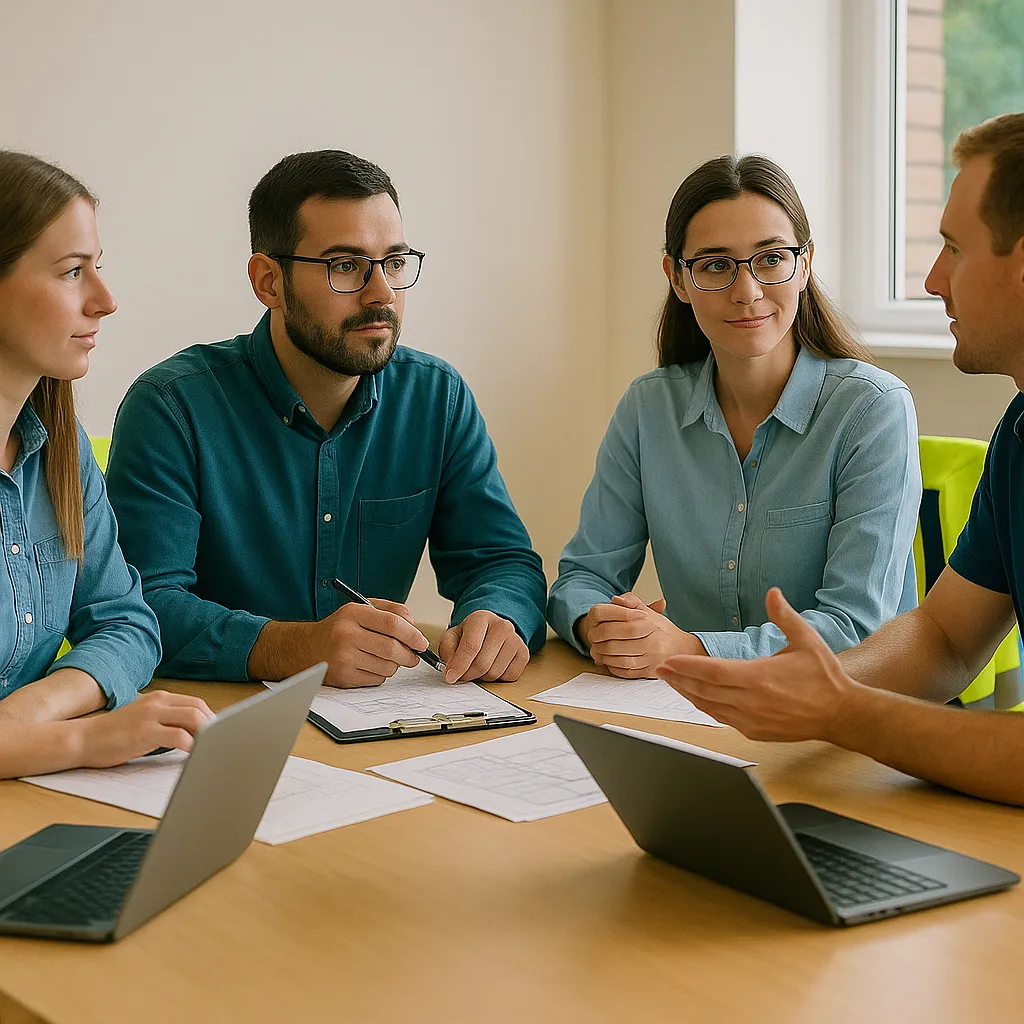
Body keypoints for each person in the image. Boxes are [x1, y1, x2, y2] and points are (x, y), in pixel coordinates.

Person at [655, 114, 1024, 807]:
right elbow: (945, 639)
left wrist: (843, 709)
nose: (932, 279)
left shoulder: (870, 403)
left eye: (954, 249)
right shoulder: (1021, 430)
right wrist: (809, 681)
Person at [106, 150, 546, 689]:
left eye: (394, 262)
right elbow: (142, 605)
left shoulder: (437, 397)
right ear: (269, 281)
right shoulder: (172, 406)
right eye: (345, 266)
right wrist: (298, 648)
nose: (381, 292)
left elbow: (501, 561)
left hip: (375, 725)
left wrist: (498, 617)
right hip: (210, 724)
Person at [547, 155, 920, 677]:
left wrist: (689, 650)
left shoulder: (872, 409)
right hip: (691, 712)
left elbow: (856, 624)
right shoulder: (647, 409)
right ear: (677, 278)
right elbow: (582, 578)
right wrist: (602, 626)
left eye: (770, 259)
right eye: (716, 265)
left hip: (841, 718)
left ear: (805, 264)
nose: (747, 292)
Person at [0, 151, 212, 778]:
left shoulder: (62, 458)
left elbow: (127, 624)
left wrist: (25, 716)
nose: (105, 300)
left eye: (98, 268)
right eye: (71, 272)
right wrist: (81, 741)